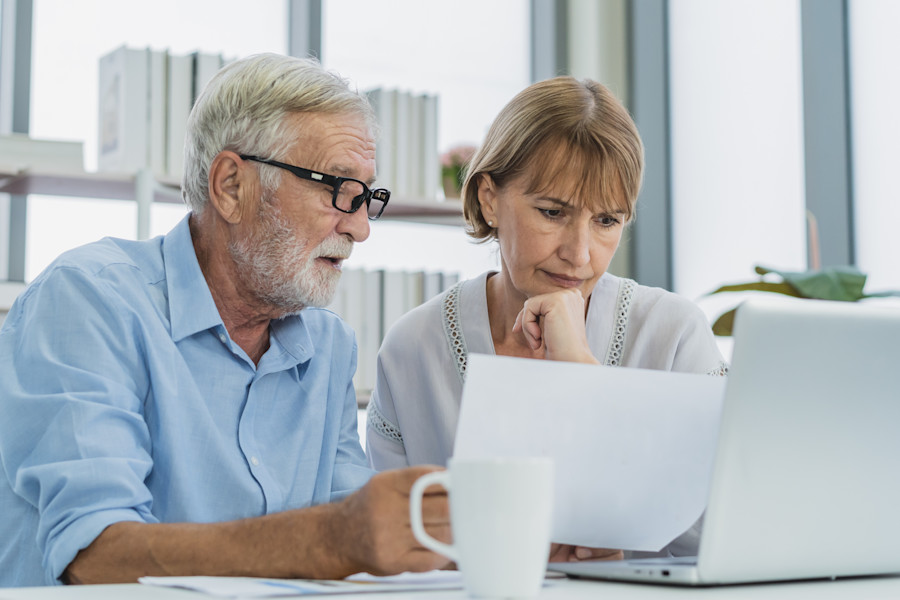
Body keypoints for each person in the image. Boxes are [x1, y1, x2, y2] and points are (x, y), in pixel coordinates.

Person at [0, 53, 451, 588]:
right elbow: (96, 555)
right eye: (337, 188)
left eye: (365, 197)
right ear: (232, 186)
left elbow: (359, 533)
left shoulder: (328, 345)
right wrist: (328, 540)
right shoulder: (88, 300)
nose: (359, 228)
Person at [365, 76, 728, 559]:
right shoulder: (414, 346)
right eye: (554, 213)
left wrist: (578, 366)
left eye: (607, 221)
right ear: (489, 199)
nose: (580, 255)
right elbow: (388, 541)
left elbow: (724, 533)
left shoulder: (673, 334)